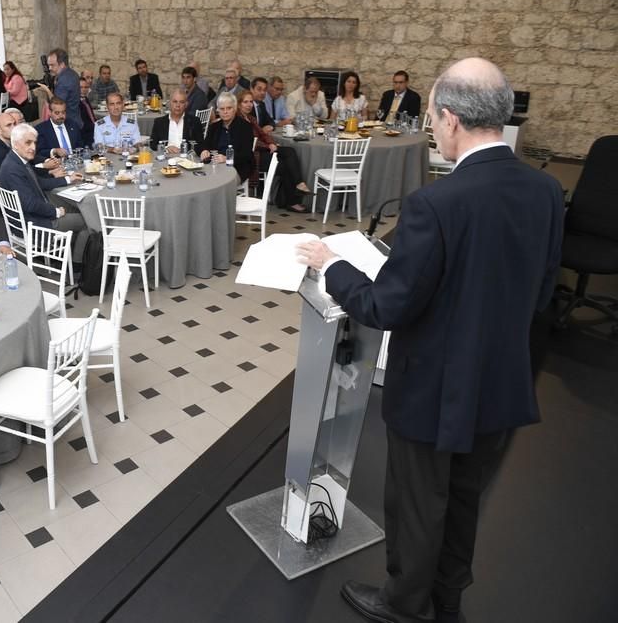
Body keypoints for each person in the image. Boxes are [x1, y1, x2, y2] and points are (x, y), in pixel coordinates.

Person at [296, 57, 564, 623]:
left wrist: (332, 265)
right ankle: (447, 599)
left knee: (418, 504)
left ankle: (404, 605)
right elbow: (542, 293)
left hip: (435, 388)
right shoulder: (545, 190)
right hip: (500, 382)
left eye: (433, 122)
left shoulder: (435, 204)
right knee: (466, 499)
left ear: (448, 118)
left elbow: (384, 306)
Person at [0, 123, 87, 257]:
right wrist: (55, 212)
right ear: (15, 144)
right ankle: (77, 264)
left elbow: (39, 182)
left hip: (29, 219)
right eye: (28, 143)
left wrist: (68, 179)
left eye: (34, 143)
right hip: (35, 225)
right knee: (86, 219)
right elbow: (30, 204)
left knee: (74, 209)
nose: (33, 147)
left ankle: (65, 254)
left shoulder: (16, 161)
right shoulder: (13, 169)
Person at [200, 92, 255, 184]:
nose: (225, 112)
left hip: (237, 167)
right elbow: (205, 144)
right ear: (218, 111)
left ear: (235, 109)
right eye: (222, 109)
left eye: (229, 108)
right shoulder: (214, 126)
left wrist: (227, 158)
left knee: (215, 182)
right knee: (200, 178)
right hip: (215, 166)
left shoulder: (245, 127)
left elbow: (246, 154)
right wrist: (204, 150)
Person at [237, 88, 279, 191]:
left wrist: (271, 143)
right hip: (254, 155)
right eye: (245, 102)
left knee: (289, 154)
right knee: (284, 161)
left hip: (262, 150)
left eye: (251, 102)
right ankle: (288, 198)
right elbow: (252, 141)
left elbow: (263, 134)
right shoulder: (239, 120)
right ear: (238, 104)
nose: (249, 105)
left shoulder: (251, 118)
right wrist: (268, 146)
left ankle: (287, 197)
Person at [40, 48, 82, 134]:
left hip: (69, 123)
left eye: (52, 65)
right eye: (49, 65)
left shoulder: (65, 79)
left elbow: (57, 104)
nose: (50, 68)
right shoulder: (71, 73)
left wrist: (47, 90)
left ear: (62, 64)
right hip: (74, 120)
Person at [149, 87, 204, 153]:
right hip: (165, 158)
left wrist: (184, 149)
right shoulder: (159, 122)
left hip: (186, 159)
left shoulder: (194, 121)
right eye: (175, 102)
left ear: (186, 104)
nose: (178, 105)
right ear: (169, 103)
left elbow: (201, 144)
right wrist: (166, 148)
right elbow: (153, 144)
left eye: (181, 102)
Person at [36, 97, 83, 162]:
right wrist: (54, 151)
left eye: (63, 112)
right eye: (57, 113)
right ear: (50, 112)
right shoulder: (41, 129)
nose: (61, 116)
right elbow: (39, 152)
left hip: (76, 163)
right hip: (56, 166)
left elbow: (80, 146)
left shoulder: (73, 125)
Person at [77, 77, 96, 147]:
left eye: (86, 87)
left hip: (92, 132)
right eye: (80, 87)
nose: (84, 90)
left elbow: (91, 117)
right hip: (84, 136)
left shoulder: (85, 99)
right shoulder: (75, 103)